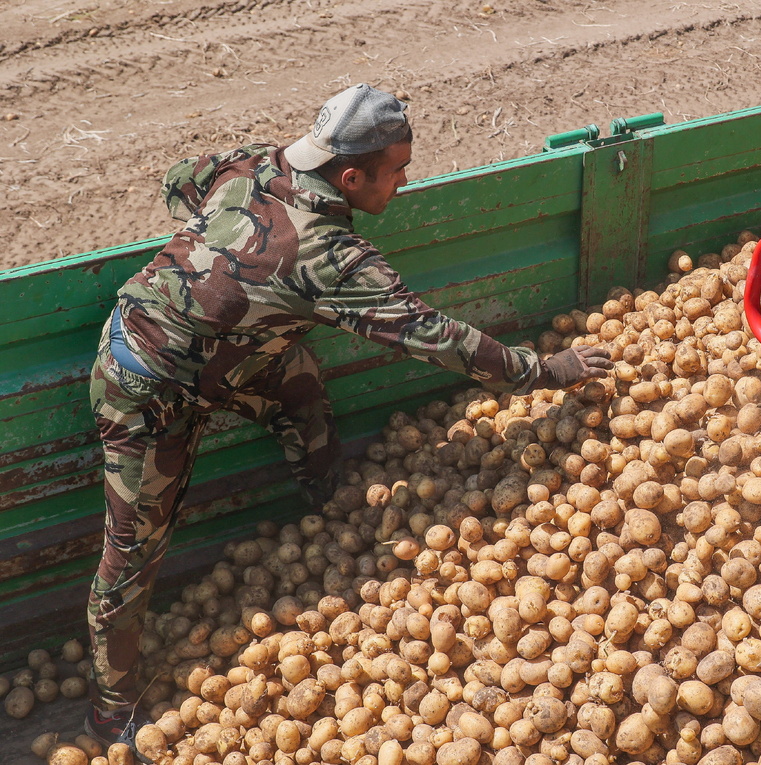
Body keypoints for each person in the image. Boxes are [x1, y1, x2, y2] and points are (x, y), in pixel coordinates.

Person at [85, 83, 612, 750]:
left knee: (299, 382)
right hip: (143, 383)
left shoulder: (250, 162)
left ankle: (329, 503)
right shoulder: (333, 259)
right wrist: (548, 369)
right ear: (352, 175)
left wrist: (219, 252)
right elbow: (437, 338)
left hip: (226, 358)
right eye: (397, 171)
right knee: (132, 552)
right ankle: (109, 711)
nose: (404, 182)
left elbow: (175, 182)